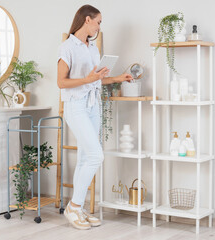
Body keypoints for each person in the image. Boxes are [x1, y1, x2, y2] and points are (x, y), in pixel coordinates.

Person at [57, 5, 133, 230]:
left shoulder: (92, 48)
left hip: (93, 104)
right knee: (95, 156)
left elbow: (95, 81)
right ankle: (74, 206)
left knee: (84, 158)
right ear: (87, 20)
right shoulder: (67, 47)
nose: (100, 26)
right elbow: (62, 82)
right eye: (98, 21)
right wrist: (88, 78)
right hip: (76, 106)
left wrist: (119, 78)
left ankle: (77, 209)